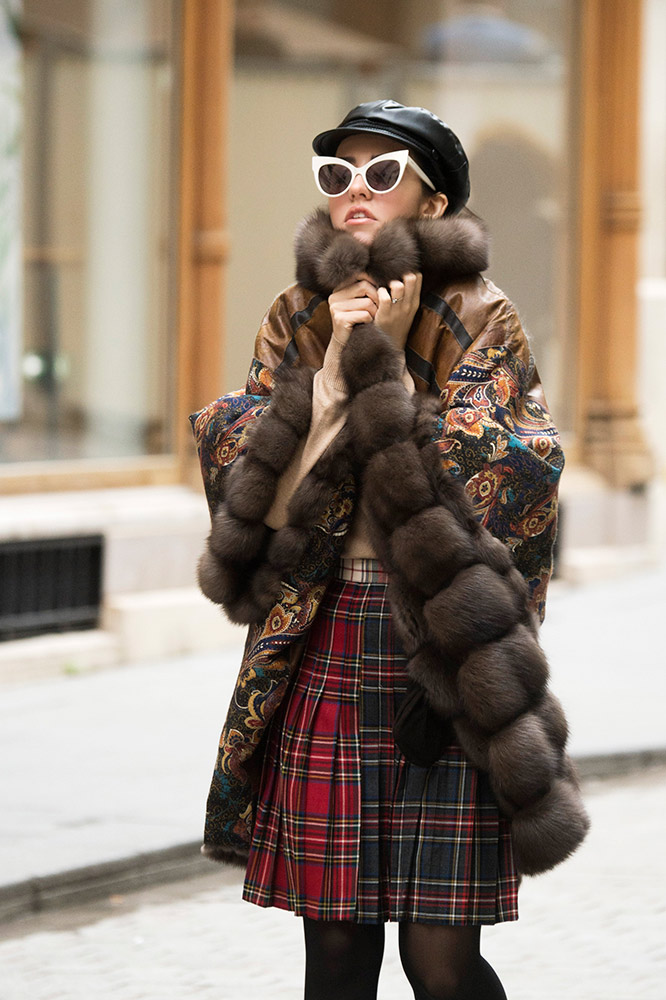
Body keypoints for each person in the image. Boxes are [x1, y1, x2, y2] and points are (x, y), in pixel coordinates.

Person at [191, 100, 588, 1000]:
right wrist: (335, 376)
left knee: (438, 959)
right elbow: (249, 502)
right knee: (334, 952)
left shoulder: (484, 316)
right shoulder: (296, 316)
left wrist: (400, 365)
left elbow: (513, 489)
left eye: (382, 174)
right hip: (326, 638)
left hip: (448, 658)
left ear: (433, 202)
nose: (355, 192)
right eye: (338, 175)